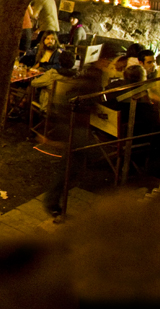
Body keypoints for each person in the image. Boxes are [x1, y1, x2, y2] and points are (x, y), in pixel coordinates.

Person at [42, 42, 113, 217]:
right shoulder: (93, 75)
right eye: (111, 62)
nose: (111, 66)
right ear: (104, 60)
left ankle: (54, 201)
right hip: (73, 123)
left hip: (73, 122)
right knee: (97, 157)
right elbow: (84, 98)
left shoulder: (90, 71)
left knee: (71, 165)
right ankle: (53, 202)